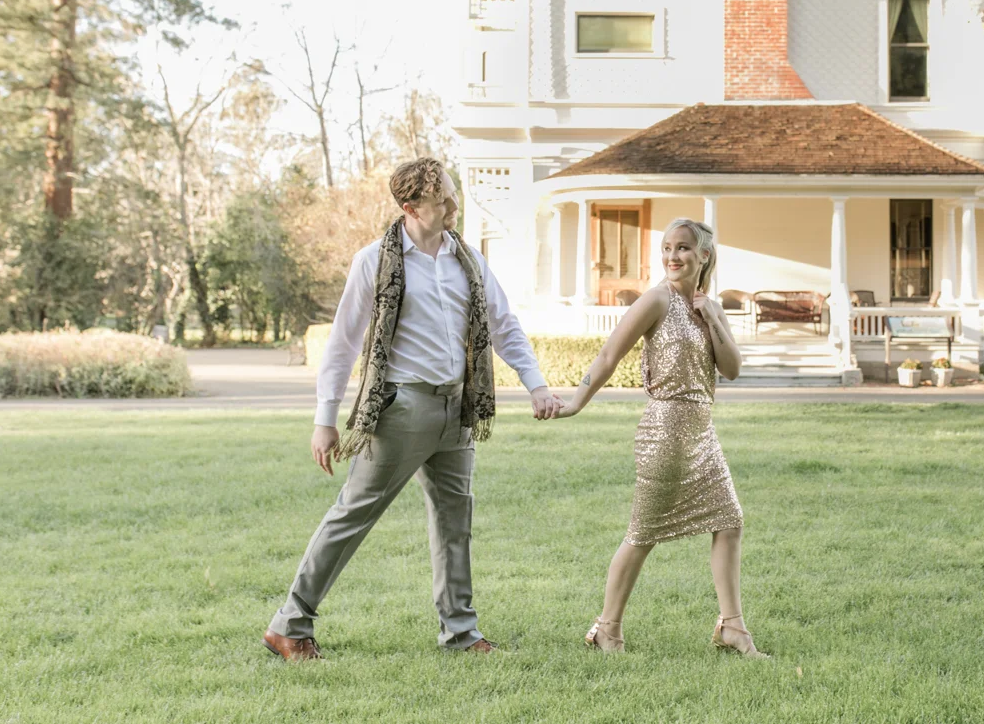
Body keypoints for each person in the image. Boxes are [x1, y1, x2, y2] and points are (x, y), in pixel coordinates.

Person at [263, 157, 561, 661]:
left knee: (454, 523)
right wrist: (324, 418)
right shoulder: (373, 261)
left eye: (452, 193)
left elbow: (504, 325)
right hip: (401, 410)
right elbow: (343, 343)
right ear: (411, 208)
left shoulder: (467, 259)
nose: (453, 205)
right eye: (442, 199)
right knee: (352, 515)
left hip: (457, 409)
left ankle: (460, 633)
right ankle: (288, 626)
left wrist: (537, 385)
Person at [538, 217, 767, 658]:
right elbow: (609, 353)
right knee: (643, 532)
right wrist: (576, 402)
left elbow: (732, 369)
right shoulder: (656, 300)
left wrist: (712, 317)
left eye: (682, 248)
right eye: (666, 248)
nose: (671, 256)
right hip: (664, 432)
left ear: (704, 255)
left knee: (729, 522)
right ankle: (607, 629)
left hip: (701, 432)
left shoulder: (709, 307)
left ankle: (732, 627)